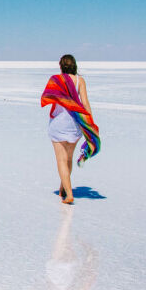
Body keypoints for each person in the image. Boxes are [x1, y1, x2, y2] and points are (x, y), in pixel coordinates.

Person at [40, 54, 99, 205]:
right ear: (75, 66)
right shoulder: (80, 81)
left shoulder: (56, 80)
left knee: (61, 160)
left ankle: (69, 194)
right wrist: (89, 124)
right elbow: (85, 103)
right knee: (68, 158)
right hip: (75, 123)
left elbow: (47, 95)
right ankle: (63, 188)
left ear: (61, 66)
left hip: (59, 123)